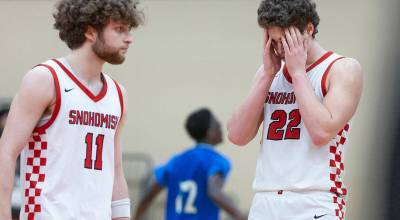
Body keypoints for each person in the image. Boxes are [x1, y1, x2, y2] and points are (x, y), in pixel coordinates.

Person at [0, 0, 144, 219]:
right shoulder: (46, 79)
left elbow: (115, 170)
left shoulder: (118, 94)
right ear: (90, 32)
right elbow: (6, 153)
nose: (129, 38)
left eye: (129, 30)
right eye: (119, 29)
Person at [227, 0, 363, 219]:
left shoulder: (343, 69)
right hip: (265, 199)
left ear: (308, 29)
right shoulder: (268, 73)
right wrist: (267, 75)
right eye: (274, 41)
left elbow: (321, 133)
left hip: (315, 201)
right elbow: (237, 135)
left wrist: (298, 72)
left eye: (285, 40)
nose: (279, 49)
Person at [134, 108, 246, 220]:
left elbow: (147, 197)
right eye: (217, 125)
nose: (221, 127)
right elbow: (214, 192)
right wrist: (240, 215)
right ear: (209, 132)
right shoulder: (217, 160)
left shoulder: (176, 161)